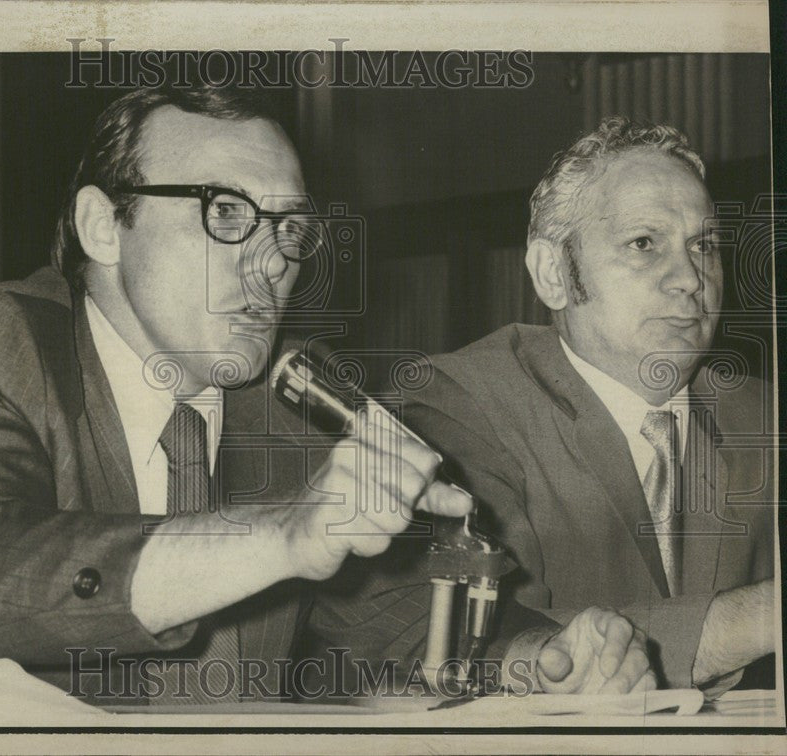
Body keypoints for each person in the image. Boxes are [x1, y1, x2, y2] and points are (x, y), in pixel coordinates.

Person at [0, 86, 654, 708]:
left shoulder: (288, 416)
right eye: (225, 211)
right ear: (103, 226)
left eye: (289, 226)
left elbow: (383, 622)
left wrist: (535, 663)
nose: (274, 261)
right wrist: (282, 534)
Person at [326, 117, 774, 694]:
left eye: (704, 245)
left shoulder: (765, 417)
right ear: (553, 273)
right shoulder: (463, 406)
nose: (691, 278)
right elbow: (425, 624)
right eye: (644, 243)